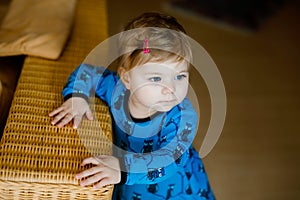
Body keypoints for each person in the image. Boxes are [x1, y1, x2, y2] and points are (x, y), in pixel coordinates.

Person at [49, 12, 215, 199]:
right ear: (127, 78)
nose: (170, 88)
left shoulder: (182, 117)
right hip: (128, 183)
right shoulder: (116, 90)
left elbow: (168, 161)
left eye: (180, 76)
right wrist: (77, 97)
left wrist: (122, 170)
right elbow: (86, 73)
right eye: (156, 78)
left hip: (177, 190)